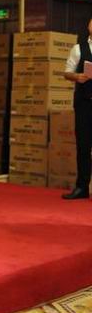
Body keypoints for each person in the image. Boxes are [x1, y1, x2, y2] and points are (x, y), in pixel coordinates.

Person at [62, 17, 92, 200]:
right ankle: (82, 187)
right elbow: (67, 72)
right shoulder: (78, 48)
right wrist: (77, 77)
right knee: (83, 145)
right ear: (89, 26)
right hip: (84, 104)